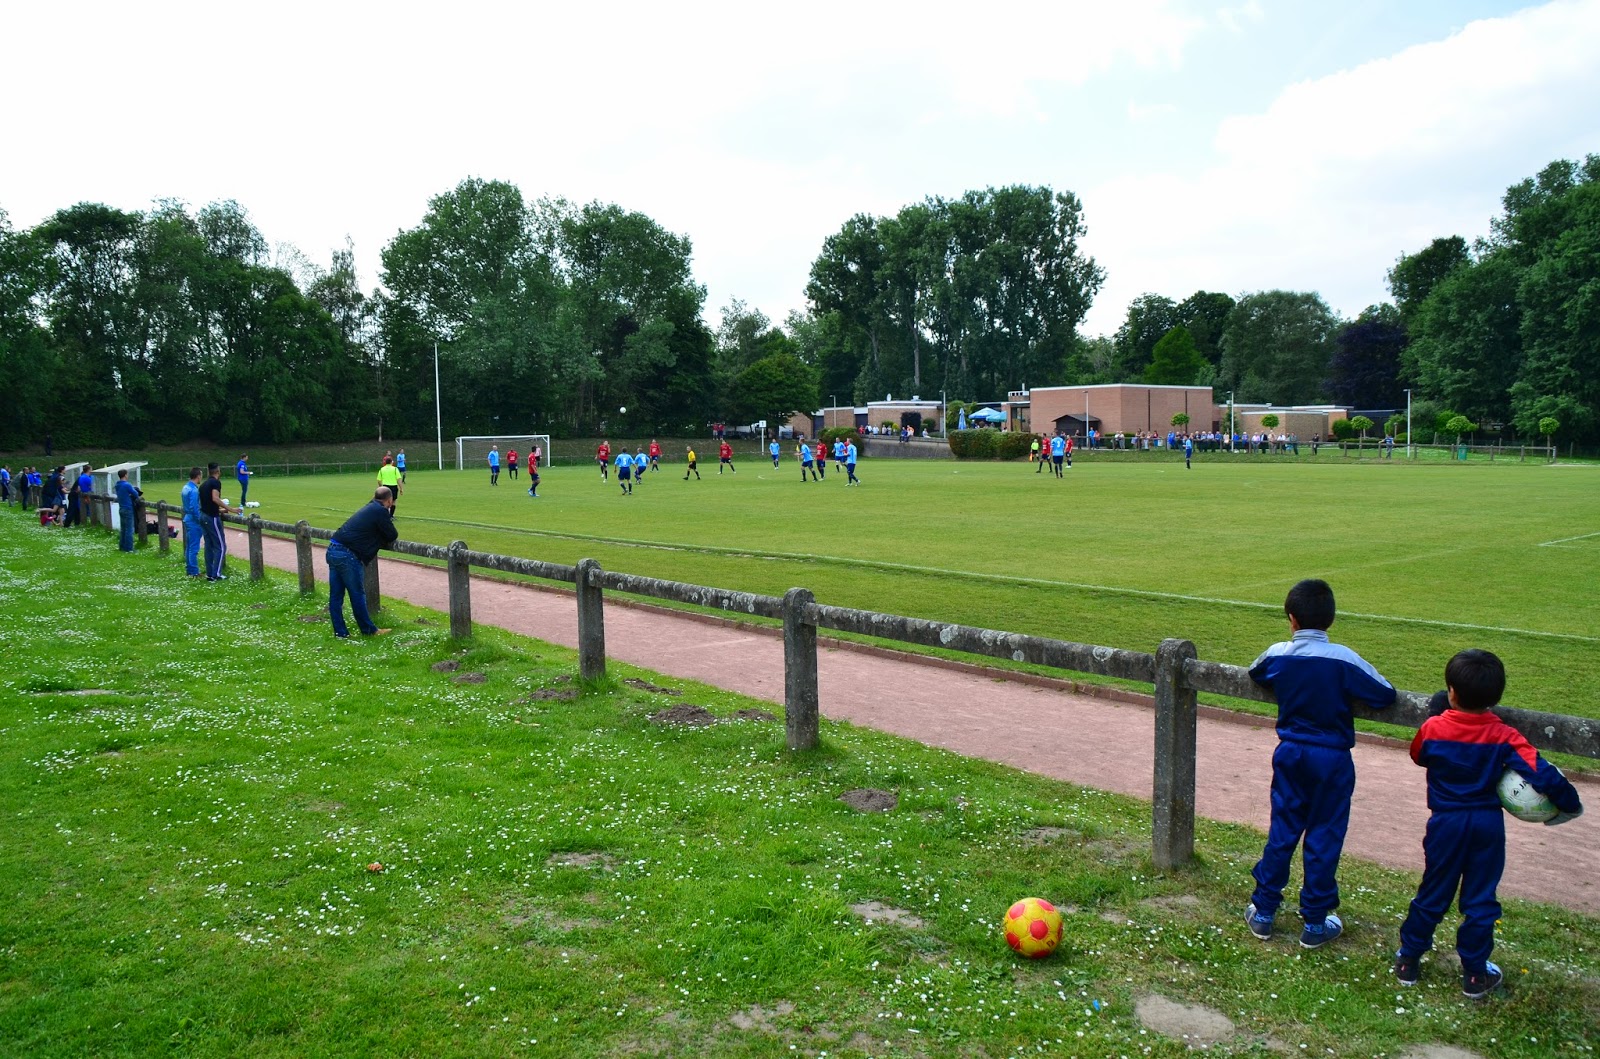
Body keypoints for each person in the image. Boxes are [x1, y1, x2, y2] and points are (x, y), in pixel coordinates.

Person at [1393, 650, 1582, 997]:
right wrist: (1569, 806)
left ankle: (1408, 958)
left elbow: (1418, 754)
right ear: (1496, 698)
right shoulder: (1504, 735)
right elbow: (1542, 773)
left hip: (1446, 823)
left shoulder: (1433, 728)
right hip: (1486, 825)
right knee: (1480, 899)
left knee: (1433, 892)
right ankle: (1475, 974)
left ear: (1451, 691)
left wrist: (1441, 717)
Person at [1244, 578, 1396, 948]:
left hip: (1291, 752)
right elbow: (1384, 694)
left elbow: (1256, 671)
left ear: (1291, 618)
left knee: (1283, 829)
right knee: (1325, 834)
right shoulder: (1344, 659)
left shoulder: (1279, 653)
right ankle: (1315, 920)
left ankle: (1264, 910)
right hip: (1331, 758)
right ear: (1330, 619)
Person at [326, 487, 396, 638]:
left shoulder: (369, 507)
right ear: (389, 500)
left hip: (333, 549)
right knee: (357, 593)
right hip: (347, 555)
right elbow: (392, 534)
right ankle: (369, 630)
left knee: (336, 595)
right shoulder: (380, 511)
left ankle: (340, 633)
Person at [199, 463, 232, 581]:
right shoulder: (215, 483)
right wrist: (230, 509)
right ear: (218, 471)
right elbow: (215, 498)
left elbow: (207, 503)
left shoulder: (203, 485)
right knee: (220, 546)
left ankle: (209, 573)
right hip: (211, 518)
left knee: (209, 545)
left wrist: (221, 510)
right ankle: (216, 574)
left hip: (203, 516)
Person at [180, 466, 204, 577]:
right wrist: (200, 520)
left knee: (189, 546)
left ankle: (189, 569)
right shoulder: (194, 490)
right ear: (198, 476)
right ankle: (194, 571)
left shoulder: (185, 488)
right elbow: (194, 507)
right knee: (194, 547)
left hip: (187, 518)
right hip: (193, 521)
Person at [114, 469, 142, 552]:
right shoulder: (127, 485)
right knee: (129, 529)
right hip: (128, 508)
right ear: (125, 475)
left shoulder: (117, 485)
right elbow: (136, 494)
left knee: (123, 529)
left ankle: (122, 546)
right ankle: (129, 548)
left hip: (121, 508)